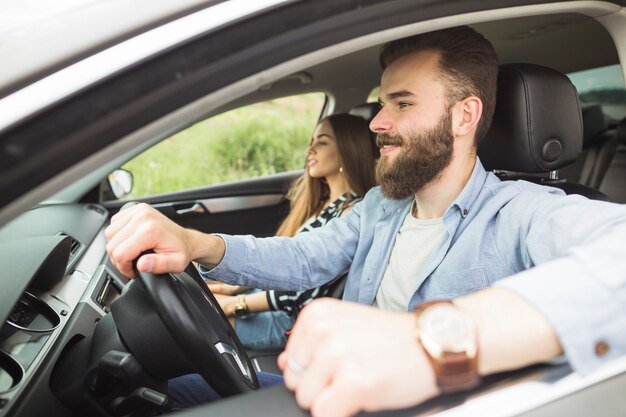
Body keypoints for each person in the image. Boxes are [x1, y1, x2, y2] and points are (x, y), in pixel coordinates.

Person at [105, 25, 626, 416]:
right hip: (331, 393)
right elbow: (306, 257)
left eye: (402, 104)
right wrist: (196, 242)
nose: (376, 122)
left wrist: (432, 344)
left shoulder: (524, 214)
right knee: (157, 389)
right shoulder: (384, 203)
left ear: (464, 117)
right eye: (382, 104)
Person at [208, 112, 376, 350]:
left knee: (201, 322)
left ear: (348, 151)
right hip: (276, 301)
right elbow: (284, 264)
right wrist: (234, 287)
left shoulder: (351, 213)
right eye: (311, 142)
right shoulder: (322, 203)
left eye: (322, 142)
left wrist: (235, 304)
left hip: (291, 319)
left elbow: (302, 287)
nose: (310, 150)